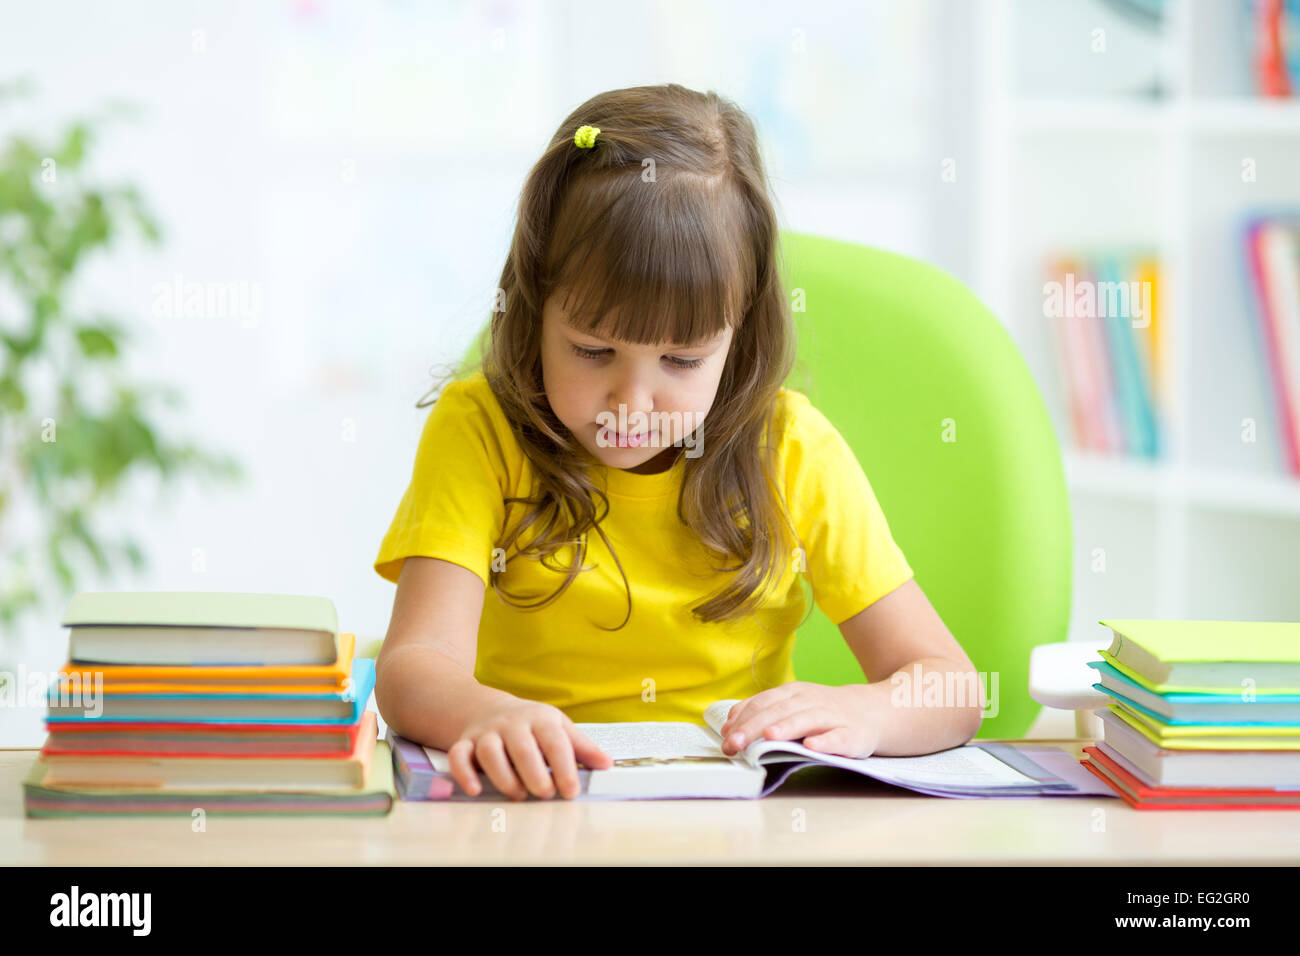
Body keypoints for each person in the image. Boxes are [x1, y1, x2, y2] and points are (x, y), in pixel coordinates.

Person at [373, 83, 982, 802]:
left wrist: (868, 711)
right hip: (536, 813)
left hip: (737, 827)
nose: (632, 403)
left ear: (739, 335)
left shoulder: (791, 450)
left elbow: (952, 687)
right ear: (535, 308)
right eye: (592, 351)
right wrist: (489, 713)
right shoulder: (480, 429)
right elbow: (414, 666)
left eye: (682, 361)